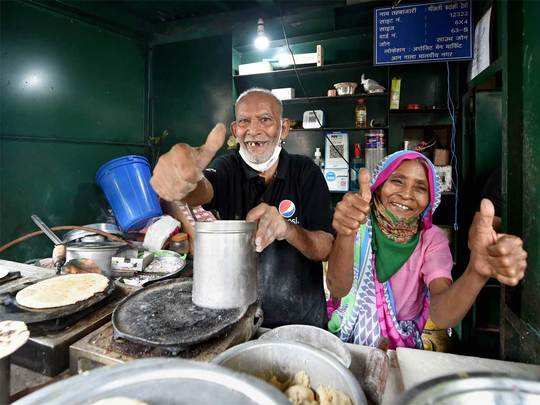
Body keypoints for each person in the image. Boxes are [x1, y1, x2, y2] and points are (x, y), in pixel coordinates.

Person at [151, 88, 334, 328]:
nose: (254, 130)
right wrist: (187, 184)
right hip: (241, 318)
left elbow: (324, 248)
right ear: (236, 131)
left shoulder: (306, 172)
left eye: (265, 120)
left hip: (301, 320)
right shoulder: (228, 167)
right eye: (245, 121)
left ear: (284, 128)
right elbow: (204, 190)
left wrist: (287, 229)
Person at [326, 150, 527, 348]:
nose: (406, 194)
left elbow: (440, 315)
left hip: (400, 348)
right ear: (379, 185)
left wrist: (475, 273)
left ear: (430, 201)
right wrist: (346, 233)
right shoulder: (356, 223)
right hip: (345, 342)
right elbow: (338, 288)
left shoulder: (431, 241)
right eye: (397, 181)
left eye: (420, 188)